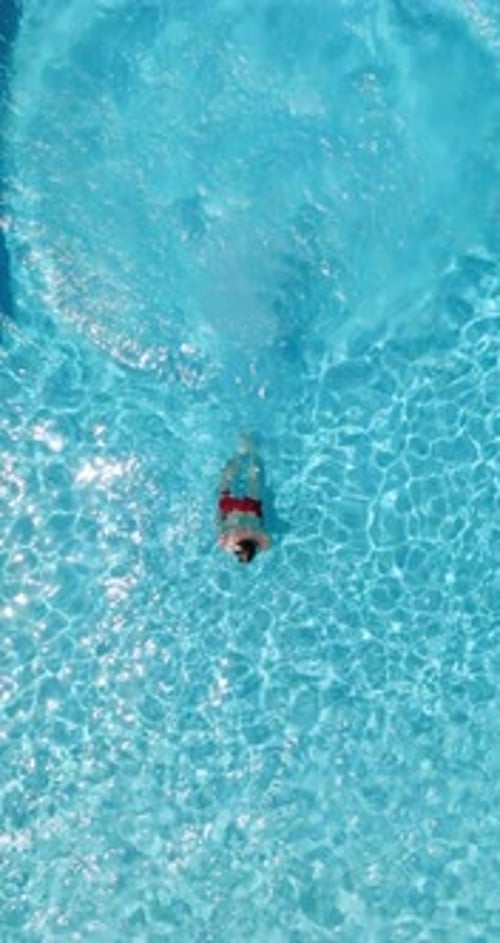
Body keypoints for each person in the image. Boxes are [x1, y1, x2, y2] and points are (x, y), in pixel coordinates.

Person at [217, 436, 271, 563]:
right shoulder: (227, 544)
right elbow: (219, 525)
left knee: (254, 481)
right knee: (225, 483)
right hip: (230, 508)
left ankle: (251, 452)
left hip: (250, 508)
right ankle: (238, 453)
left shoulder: (263, 541)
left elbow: (266, 541)